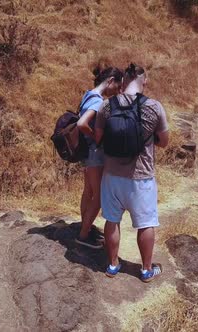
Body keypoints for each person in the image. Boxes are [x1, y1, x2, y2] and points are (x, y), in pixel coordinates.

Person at [94, 63, 169, 282]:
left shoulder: (106, 106)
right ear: (144, 81)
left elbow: (98, 138)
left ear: (124, 81)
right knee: (145, 224)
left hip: (111, 176)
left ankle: (112, 265)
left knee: (112, 220)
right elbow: (164, 142)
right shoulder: (154, 107)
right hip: (141, 177)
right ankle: (146, 270)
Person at [74, 65, 123, 249]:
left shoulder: (88, 94)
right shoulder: (98, 101)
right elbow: (81, 123)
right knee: (100, 197)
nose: (118, 91)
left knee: (88, 191)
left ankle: (85, 226)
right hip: (95, 153)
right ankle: (84, 235)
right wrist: (97, 137)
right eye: (117, 87)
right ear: (110, 81)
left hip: (86, 152)